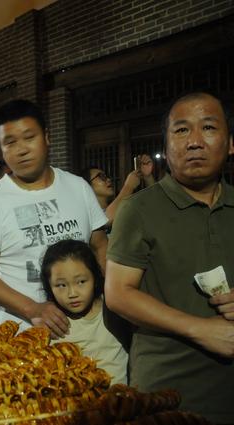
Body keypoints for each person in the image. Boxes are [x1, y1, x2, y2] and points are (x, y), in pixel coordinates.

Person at [105, 91, 234, 423]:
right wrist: (200, 329)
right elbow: (118, 294)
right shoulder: (139, 209)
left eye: (207, 128)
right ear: (166, 146)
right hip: (167, 392)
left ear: (230, 143)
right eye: (181, 130)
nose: (194, 141)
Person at [0, 99, 108, 337]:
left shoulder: (78, 187)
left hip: (85, 329)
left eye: (29, 138)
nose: (21, 150)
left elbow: (100, 246)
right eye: (9, 143)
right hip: (21, 332)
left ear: (47, 137)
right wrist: (32, 308)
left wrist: (103, 299)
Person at [40, 239, 128, 385]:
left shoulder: (114, 309)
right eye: (61, 285)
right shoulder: (53, 324)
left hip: (124, 401)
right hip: (80, 405)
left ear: (94, 277)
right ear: (49, 286)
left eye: (81, 282)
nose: (72, 293)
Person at [81, 156, 155, 226]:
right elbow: (105, 220)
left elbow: (156, 205)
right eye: (101, 177)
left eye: (106, 176)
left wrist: (148, 177)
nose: (108, 180)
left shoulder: (123, 209)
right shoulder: (87, 215)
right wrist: (128, 186)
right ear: (87, 185)